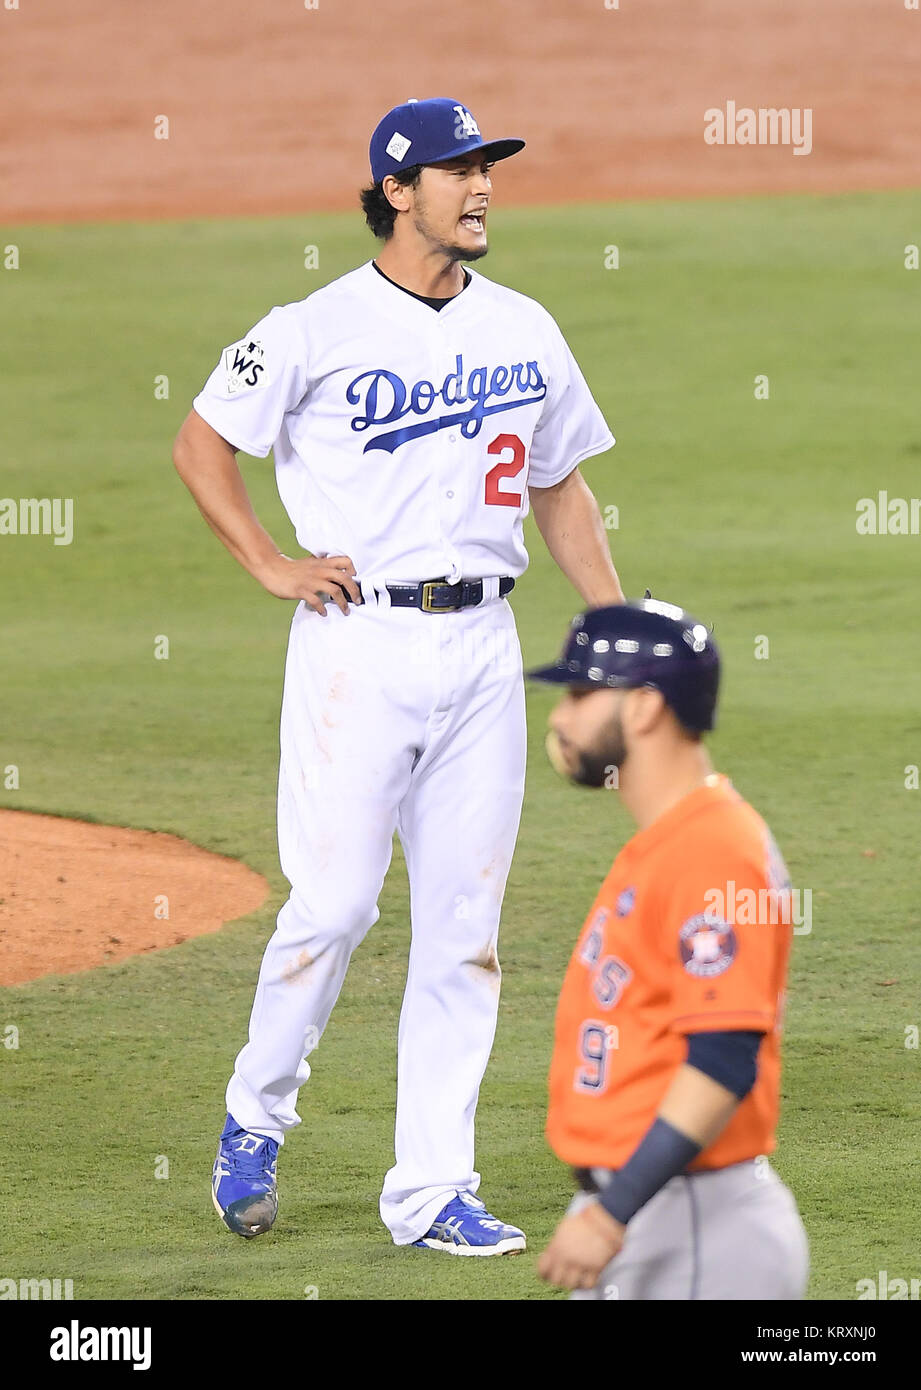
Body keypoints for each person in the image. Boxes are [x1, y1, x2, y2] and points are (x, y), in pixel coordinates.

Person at [172, 97, 623, 1253]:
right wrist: (269, 561)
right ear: (393, 191)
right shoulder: (312, 327)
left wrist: (614, 630)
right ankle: (252, 1116)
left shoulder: (523, 326)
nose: (479, 188)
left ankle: (430, 1190)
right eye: (455, 170)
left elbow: (559, 485)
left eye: (486, 170)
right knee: (333, 907)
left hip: (482, 653)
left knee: (464, 931)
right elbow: (202, 438)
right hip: (358, 649)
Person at [527, 599, 809, 1297]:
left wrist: (610, 1215)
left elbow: (722, 1058)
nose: (561, 716)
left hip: (689, 1226)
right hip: (651, 1209)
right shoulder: (668, 843)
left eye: (582, 692)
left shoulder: (713, 853)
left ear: (645, 707)